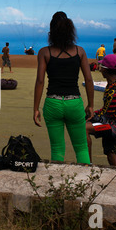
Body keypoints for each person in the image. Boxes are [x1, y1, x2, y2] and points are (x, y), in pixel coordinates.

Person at [33, 11, 94, 165]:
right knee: (81, 148)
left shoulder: (44, 52)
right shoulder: (79, 51)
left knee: (57, 149)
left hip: (52, 103)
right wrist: (91, 105)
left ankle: (57, 186)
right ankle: (86, 183)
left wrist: (36, 108)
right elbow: (88, 79)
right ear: (70, 30)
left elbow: (40, 81)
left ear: (51, 31)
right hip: (74, 103)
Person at [86, 54, 116, 167]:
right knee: (112, 154)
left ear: (105, 70)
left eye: (101, 66)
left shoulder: (114, 93)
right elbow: (106, 111)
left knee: (83, 128)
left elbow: (106, 116)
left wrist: (91, 115)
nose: (100, 68)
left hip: (113, 125)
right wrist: (94, 113)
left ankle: (87, 164)